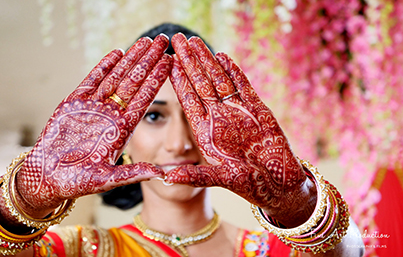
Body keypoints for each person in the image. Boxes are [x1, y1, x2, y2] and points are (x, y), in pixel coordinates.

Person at [0, 23, 364, 257]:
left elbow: (353, 252)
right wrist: (25, 196)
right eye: (154, 116)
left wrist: (298, 206)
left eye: (194, 118)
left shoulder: (274, 250)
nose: (179, 144)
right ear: (122, 139)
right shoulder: (74, 250)